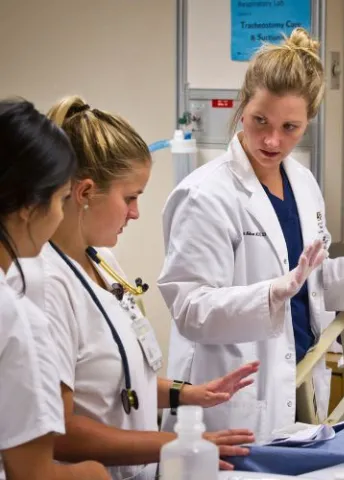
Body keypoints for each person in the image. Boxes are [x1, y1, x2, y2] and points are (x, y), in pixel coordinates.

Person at [157, 27, 344, 442]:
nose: (272, 139)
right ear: (242, 105)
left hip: (297, 378)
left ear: (309, 123)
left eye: (290, 127)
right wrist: (269, 295)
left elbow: (310, 282)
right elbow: (190, 308)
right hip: (233, 394)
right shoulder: (204, 195)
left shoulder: (302, 183)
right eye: (260, 120)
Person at [8, 95, 258, 479]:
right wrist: (175, 445)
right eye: (130, 198)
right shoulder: (44, 287)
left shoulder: (103, 264)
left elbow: (110, 379)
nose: (135, 212)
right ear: (85, 193)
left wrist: (186, 393)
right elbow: (59, 429)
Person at [0, 99, 109, 479]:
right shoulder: (14, 313)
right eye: (61, 199)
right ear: (30, 206)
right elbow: (32, 475)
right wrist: (94, 473)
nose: (62, 214)